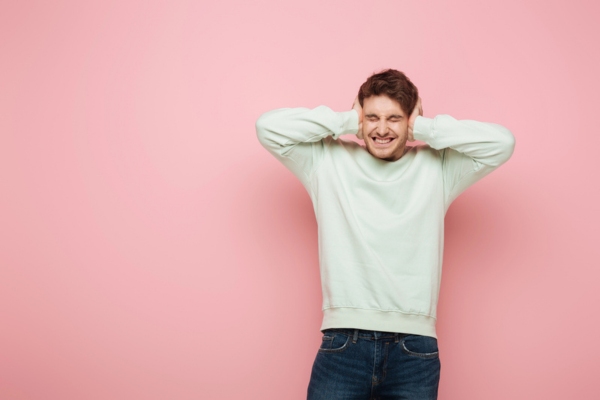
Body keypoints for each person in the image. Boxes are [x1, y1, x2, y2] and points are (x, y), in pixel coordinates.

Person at [255, 68, 515, 400]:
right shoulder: (324, 162)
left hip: (414, 351)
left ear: (410, 120)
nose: (380, 129)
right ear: (360, 117)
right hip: (343, 344)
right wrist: (348, 121)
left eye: (394, 118)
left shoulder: (440, 169)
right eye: (372, 117)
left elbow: (502, 143)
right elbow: (268, 128)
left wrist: (423, 127)